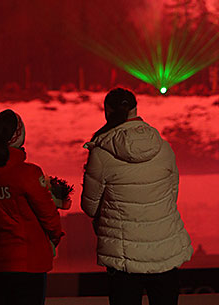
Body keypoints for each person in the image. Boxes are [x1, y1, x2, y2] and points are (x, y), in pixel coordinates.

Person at [81, 88, 193, 305]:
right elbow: (172, 195)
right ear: (135, 110)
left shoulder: (101, 152)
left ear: (107, 111)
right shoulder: (164, 148)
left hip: (124, 262)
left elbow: (90, 208)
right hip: (164, 253)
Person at [0, 109, 63, 305]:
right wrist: (54, 239)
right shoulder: (28, 174)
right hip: (28, 264)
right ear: (19, 134)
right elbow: (49, 216)